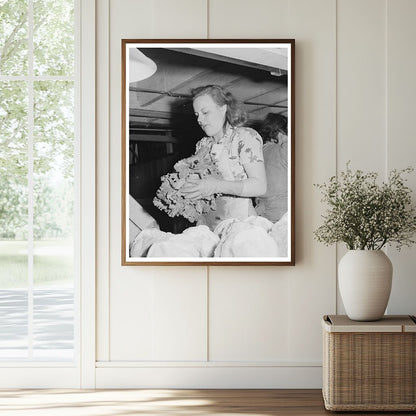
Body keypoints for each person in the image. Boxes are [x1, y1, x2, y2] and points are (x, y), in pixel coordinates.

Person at [181, 85, 267, 231]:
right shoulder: (202, 144)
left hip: (238, 224)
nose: (199, 120)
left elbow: (260, 186)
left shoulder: (244, 137)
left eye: (205, 112)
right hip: (207, 225)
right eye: (197, 115)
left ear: (223, 108)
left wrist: (215, 186)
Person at [255, 113, 288, 222]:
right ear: (280, 133)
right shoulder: (284, 149)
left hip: (260, 212)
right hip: (281, 212)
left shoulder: (258, 152)